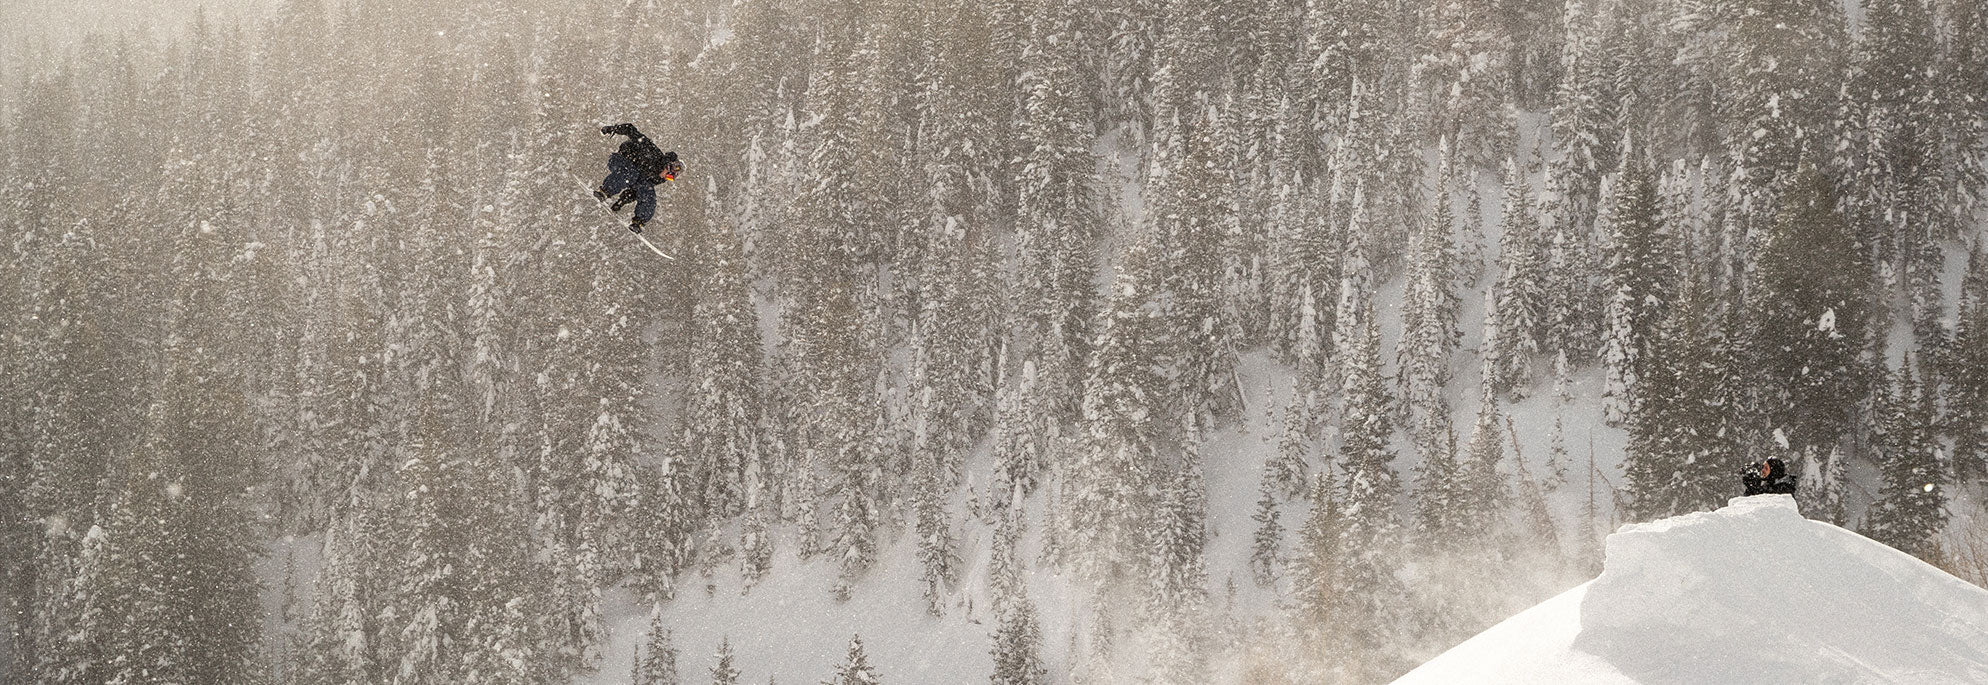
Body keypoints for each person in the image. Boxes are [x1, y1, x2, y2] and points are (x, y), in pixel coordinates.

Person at [595, 123, 683, 233]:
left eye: (670, 178)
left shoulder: (657, 178)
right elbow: (630, 129)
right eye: (669, 175)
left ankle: (639, 221)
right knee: (631, 173)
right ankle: (605, 190)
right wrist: (612, 129)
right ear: (667, 166)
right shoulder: (653, 153)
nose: (666, 178)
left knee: (648, 193)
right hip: (622, 159)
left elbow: (636, 191)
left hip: (633, 175)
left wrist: (620, 202)